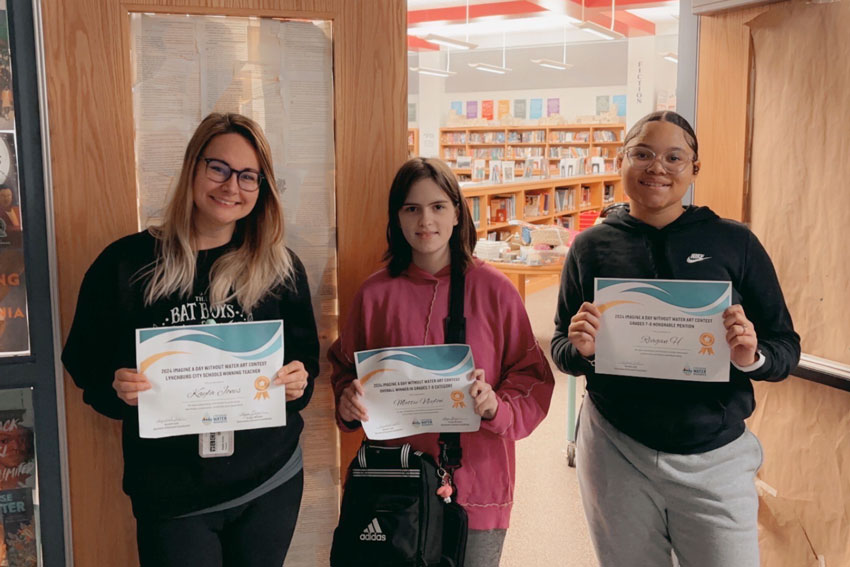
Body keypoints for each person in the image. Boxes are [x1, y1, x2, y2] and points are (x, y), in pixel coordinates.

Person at [62, 113, 319, 567]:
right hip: (173, 494)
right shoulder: (126, 264)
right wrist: (116, 387)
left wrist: (298, 382)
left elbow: (304, 363)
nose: (230, 186)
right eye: (218, 168)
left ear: (262, 189)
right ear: (192, 167)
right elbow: (84, 362)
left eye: (248, 176)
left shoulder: (279, 266)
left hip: (270, 480)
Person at [551, 111, 801, 567]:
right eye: (642, 153)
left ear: (694, 169)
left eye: (673, 157)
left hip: (715, 452)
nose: (656, 167)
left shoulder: (734, 242)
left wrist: (751, 356)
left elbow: (785, 346)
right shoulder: (590, 247)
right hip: (615, 448)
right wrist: (581, 350)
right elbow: (561, 347)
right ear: (621, 160)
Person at [329, 157, 555, 567]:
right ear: (396, 217)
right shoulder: (374, 294)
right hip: (392, 487)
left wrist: (496, 407)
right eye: (411, 208)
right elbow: (345, 368)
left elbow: (533, 378)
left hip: (477, 487)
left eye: (437, 207)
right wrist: (347, 401)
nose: (424, 220)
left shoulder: (496, 292)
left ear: (457, 213)